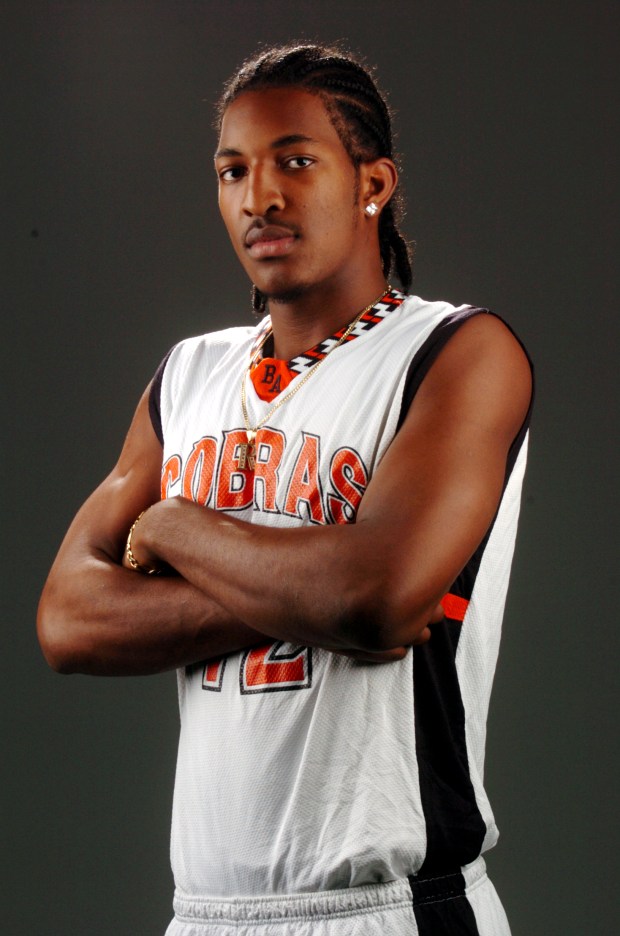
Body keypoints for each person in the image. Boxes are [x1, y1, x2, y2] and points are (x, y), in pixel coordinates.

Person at [38, 43, 533, 936]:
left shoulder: (456, 353)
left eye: (295, 162)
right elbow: (67, 618)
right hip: (202, 911)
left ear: (372, 182)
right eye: (233, 170)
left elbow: (373, 597)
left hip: (387, 906)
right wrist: (317, 591)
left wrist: (175, 526)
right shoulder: (188, 374)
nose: (257, 196)